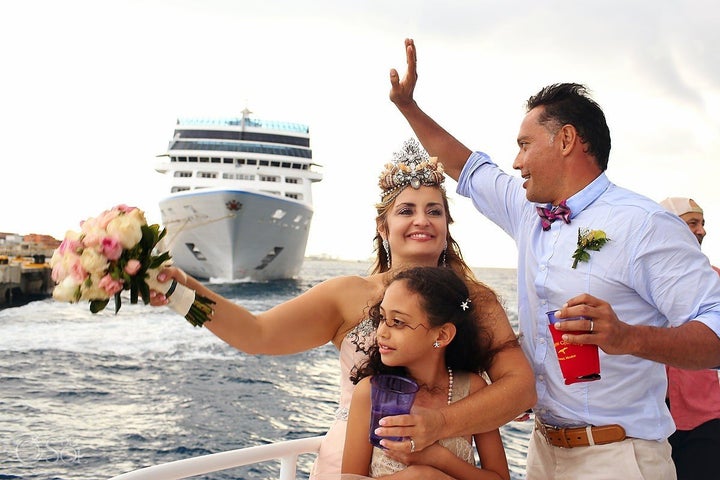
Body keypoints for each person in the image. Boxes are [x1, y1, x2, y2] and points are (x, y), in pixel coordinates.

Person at [385, 38, 720, 479]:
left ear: (566, 141)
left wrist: (626, 337)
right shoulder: (526, 211)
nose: (516, 161)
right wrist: (408, 106)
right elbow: (465, 166)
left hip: (619, 457)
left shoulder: (645, 225)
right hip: (543, 452)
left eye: (525, 144)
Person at [150, 138, 536, 475]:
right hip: (350, 468)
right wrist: (181, 292)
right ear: (383, 229)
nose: (422, 220)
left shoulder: (474, 302)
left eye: (434, 211)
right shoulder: (346, 295)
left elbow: (519, 389)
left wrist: (437, 427)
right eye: (406, 210)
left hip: (445, 468)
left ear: (447, 225)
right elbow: (257, 334)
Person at [342, 266, 510, 480]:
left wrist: (438, 460)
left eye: (398, 322)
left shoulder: (473, 389)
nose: (382, 331)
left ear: (442, 334)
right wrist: (418, 475)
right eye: (382, 318)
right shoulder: (371, 392)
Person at [659, 196, 720, 480]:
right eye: (693, 223)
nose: (702, 230)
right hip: (655, 417)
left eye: (703, 223)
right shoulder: (641, 280)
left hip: (707, 417)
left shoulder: (716, 280)